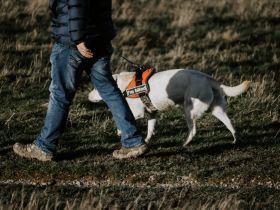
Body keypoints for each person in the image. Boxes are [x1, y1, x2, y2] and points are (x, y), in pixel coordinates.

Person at [13, 0, 148, 161]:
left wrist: (78, 39)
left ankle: (44, 146)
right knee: (110, 91)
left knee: (60, 95)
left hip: (74, 44)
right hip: (99, 40)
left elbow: (77, 4)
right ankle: (133, 141)